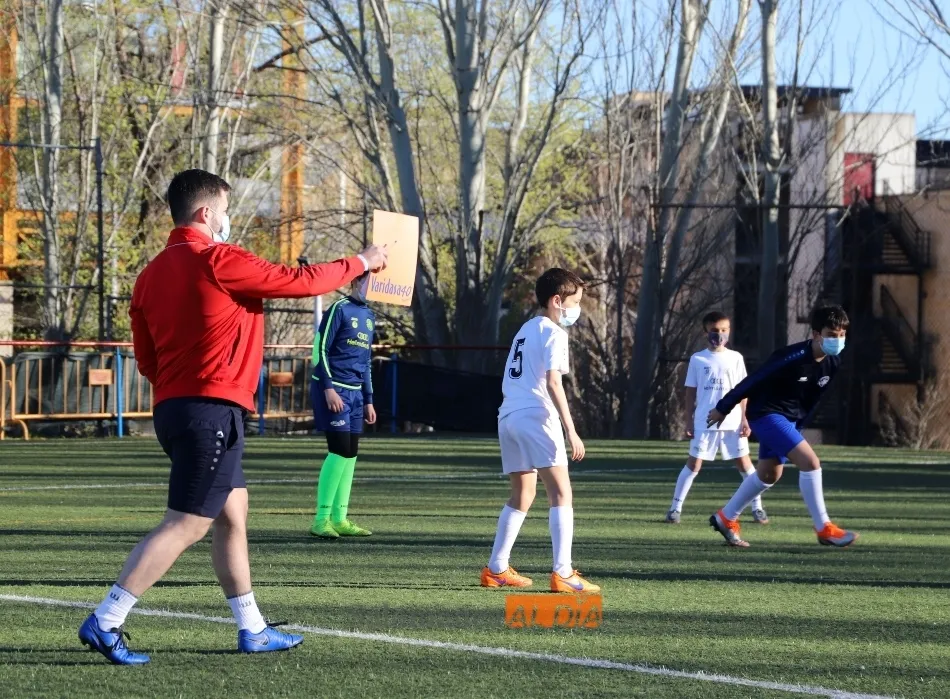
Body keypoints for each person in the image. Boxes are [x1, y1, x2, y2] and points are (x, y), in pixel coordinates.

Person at [78, 169, 388, 665]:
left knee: (233, 512)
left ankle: (252, 627)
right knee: (186, 524)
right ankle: (108, 618)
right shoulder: (219, 259)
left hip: (175, 408)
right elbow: (300, 282)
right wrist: (360, 261)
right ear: (205, 214)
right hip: (211, 410)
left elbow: (147, 359)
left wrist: (183, 389)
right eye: (225, 210)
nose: (227, 220)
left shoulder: (150, 273)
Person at [481, 268, 600, 593]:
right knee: (561, 493)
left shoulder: (525, 328)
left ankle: (496, 569)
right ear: (557, 300)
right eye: (574, 301)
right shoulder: (554, 332)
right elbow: (552, 382)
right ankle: (563, 573)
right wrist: (571, 430)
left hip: (508, 416)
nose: (577, 308)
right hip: (536, 416)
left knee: (523, 494)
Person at [707, 305, 858, 548]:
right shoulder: (790, 357)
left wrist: (796, 426)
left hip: (788, 420)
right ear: (816, 334)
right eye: (832, 334)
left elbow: (809, 399)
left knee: (769, 474)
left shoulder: (833, 362)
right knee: (811, 463)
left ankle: (726, 517)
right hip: (766, 414)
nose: (838, 340)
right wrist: (723, 407)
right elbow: (752, 381)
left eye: (842, 335)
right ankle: (825, 528)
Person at [666, 312, 769, 525]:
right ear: (705, 332)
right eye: (714, 330)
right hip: (706, 421)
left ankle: (757, 508)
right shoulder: (698, 359)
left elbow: (743, 391)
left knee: (745, 465)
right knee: (694, 465)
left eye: (724, 330)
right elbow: (690, 392)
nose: (719, 334)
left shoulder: (736, 358)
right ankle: (675, 509)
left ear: (729, 331)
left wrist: (744, 419)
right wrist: (689, 420)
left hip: (733, 422)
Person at [309, 272, 376, 539]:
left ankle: (340, 518)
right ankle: (321, 519)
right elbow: (320, 351)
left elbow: (366, 361)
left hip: (356, 394)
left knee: (350, 454)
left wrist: (369, 399)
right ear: (355, 283)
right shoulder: (339, 309)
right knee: (338, 451)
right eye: (368, 283)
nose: (371, 289)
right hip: (334, 389)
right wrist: (329, 388)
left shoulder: (369, 316)